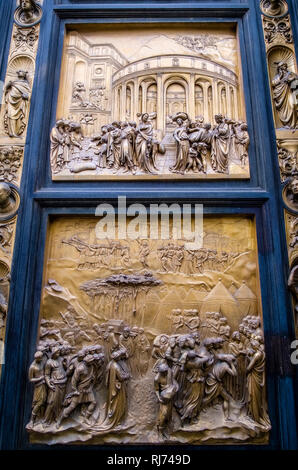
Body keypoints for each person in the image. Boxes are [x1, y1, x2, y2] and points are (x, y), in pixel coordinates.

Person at [4, 70, 30, 137]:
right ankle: (11, 132)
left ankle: (16, 132)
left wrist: (26, 96)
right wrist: (8, 85)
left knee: (18, 117)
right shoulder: (13, 83)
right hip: (11, 100)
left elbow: (28, 94)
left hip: (20, 101)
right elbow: (4, 90)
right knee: (11, 116)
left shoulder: (25, 84)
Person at [272, 61, 297, 128]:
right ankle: (287, 125)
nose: (285, 67)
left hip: (289, 92)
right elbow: (273, 83)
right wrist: (280, 76)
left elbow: (296, 80)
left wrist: (292, 80)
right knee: (283, 109)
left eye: (285, 66)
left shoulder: (290, 74)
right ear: (280, 68)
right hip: (281, 95)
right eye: (283, 66)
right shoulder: (277, 76)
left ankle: (293, 125)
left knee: (292, 106)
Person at [27, 351, 47, 428]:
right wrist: (40, 378)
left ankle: (41, 418)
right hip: (38, 386)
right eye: (40, 358)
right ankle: (32, 420)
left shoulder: (41, 362)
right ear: (37, 358)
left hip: (44, 385)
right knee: (39, 402)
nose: (42, 359)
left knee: (44, 401)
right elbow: (30, 379)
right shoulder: (32, 367)